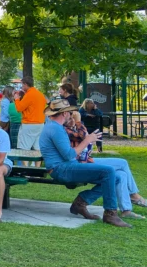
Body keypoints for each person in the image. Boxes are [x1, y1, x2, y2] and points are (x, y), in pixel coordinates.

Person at [39, 98, 129, 228]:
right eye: (69, 112)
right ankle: (110, 214)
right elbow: (69, 155)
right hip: (62, 169)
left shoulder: (54, 127)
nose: (71, 115)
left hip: (66, 167)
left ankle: (81, 203)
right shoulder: (56, 129)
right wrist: (87, 140)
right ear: (64, 113)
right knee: (108, 171)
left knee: (116, 177)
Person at [64, 111, 145, 220]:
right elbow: (83, 136)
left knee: (121, 175)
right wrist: (78, 122)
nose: (72, 121)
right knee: (122, 163)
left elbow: (85, 137)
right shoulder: (64, 130)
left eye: (73, 118)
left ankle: (126, 210)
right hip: (79, 164)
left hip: (87, 160)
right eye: (70, 119)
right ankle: (134, 195)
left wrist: (78, 125)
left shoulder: (73, 128)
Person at [14, 75, 47, 150]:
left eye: (22, 85)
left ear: (25, 84)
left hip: (29, 124)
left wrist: (16, 99)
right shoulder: (40, 94)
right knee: (37, 147)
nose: (21, 87)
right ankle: (36, 161)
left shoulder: (29, 95)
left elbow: (19, 108)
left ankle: (26, 162)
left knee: (24, 148)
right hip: (40, 123)